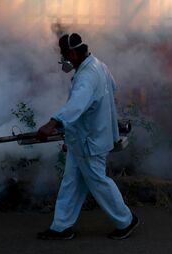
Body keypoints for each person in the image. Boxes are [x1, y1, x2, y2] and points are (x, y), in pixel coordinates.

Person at [36, 33, 139, 240]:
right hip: (83, 139)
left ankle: (126, 220)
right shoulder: (99, 65)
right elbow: (112, 87)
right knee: (71, 182)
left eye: (64, 55)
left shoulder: (86, 76)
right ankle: (61, 227)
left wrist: (52, 123)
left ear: (73, 53)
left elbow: (76, 104)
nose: (63, 60)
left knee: (99, 182)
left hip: (89, 141)